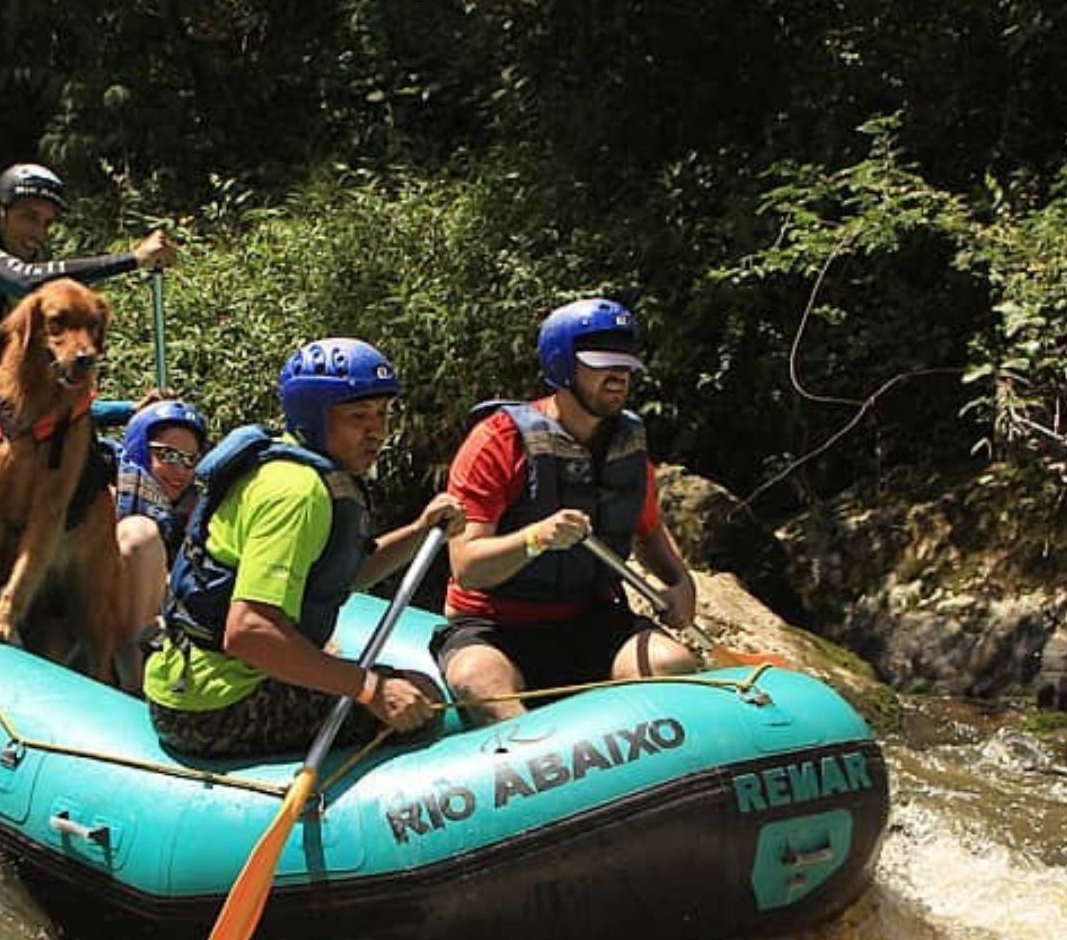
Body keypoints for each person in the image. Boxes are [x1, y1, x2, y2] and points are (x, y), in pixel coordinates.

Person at [146, 338, 465, 759]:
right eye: (358, 417)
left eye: (382, 414)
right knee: (420, 700)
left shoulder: (292, 466)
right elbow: (249, 634)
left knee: (402, 690)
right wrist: (370, 689)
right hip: (216, 707)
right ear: (315, 417)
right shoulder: (296, 493)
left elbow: (347, 573)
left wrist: (422, 530)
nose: (378, 431)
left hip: (196, 685)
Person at [434, 298, 698, 724]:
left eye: (626, 366)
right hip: (495, 627)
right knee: (478, 681)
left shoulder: (626, 447)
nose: (620, 377)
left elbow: (650, 535)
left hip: (589, 619)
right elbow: (468, 566)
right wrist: (536, 538)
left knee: (672, 665)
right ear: (561, 365)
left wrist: (682, 587)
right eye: (603, 366)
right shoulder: (497, 442)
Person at [0, 163, 179, 391]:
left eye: (47, 223)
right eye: (29, 217)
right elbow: (26, 280)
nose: (37, 233)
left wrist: (134, 410)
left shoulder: (21, 299)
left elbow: (39, 396)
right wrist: (133, 259)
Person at [114, 396, 210, 647]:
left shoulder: (197, 511)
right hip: (98, 618)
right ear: (141, 450)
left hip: (167, 634)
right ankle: (131, 669)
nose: (181, 470)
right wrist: (127, 408)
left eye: (190, 459)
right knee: (139, 533)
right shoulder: (105, 490)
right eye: (168, 455)